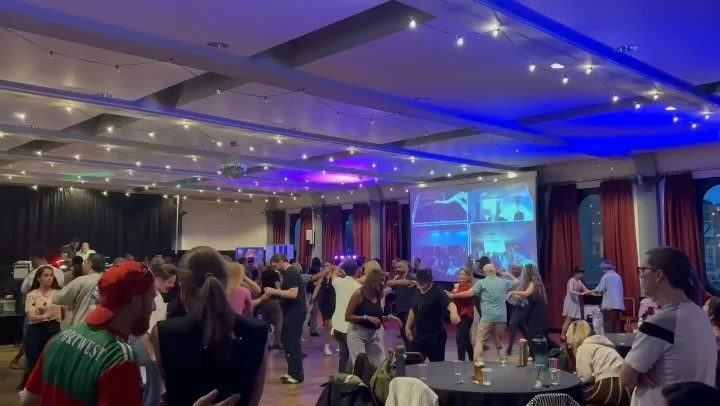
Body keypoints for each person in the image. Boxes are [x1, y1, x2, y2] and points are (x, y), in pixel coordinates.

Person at [23, 261, 156, 405]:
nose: (154, 307)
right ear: (136, 302)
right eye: (151, 298)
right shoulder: (120, 357)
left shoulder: (59, 339)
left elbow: (29, 400)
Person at [152, 246, 268, 406]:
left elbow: (173, 389)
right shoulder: (258, 331)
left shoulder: (163, 333)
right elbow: (253, 399)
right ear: (226, 284)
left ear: (183, 291)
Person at [620, 248, 717, 406]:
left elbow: (625, 378)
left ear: (658, 275)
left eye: (643, 270)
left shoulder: (661, 322)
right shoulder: (700, 315)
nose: (640, 275)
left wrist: (638, 376)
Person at [129, 263, 176, 406]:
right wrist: (153, 355)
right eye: (170, 282)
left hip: (137, 343)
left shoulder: (145, 294)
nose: (172, 286)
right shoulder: (155, 298)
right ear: (159, 279)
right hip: (146, 346)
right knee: (152, 389)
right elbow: (146, 330)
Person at [451, 263, 517, 362]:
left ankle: (478, 366)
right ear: (495, 271)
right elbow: (516, 281)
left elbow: (469, 293)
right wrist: (507, 274)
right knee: (499, 344)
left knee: (480, 342)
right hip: (501, 317)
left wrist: (453, 295)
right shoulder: (504, 282)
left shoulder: (481, 282)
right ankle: (504, 364)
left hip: (487, 317)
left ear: (485, 272)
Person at [345, 260, 397, 367]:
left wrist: (389, 318)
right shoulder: (359, 294)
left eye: (384, 281)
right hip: (357, 334)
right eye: (380, 281)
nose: (382, 284)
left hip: (372, 334)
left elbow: (376, 317)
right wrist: (366, 317)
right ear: (373, 281)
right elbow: (348, 317)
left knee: (380, 366)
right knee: (361, 366)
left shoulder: (378, 294)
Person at [567, 320, 631, 406]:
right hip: (628, 389)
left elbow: (587, 378)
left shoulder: (583, 347)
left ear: (575, 335)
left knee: (573, 395)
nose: (566, 334)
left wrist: (574, 379)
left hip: (609, 387)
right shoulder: (604, 345)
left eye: (568, 331)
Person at [265, 253, 306, 384]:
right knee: (286, 340)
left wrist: (274, 291)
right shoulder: (289, 273)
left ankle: (297, 375)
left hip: (295, 312)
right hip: (291, 312)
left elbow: (293, 294)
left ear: (281, 261)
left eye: (275, 265)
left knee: (292, 342)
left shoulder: (291, 273)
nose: (275, 269)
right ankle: (292, 371)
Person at [405, 268, 460, 362]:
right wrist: (407, 327)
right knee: (412, 363)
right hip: (419, 336)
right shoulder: (418, 290)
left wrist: (454, 314)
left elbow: (450, 304)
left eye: (425, 280)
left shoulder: (438, 292)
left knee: (436, 366)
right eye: (419, 280)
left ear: (430, 280)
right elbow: (413, 309)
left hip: (435, 337)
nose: (421, 283)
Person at [21, 266, 62, 392]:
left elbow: (60, 315)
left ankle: (49, 390)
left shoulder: (57, 294)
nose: (49, 278)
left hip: (53, 330)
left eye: (51, 275)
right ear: (39, 278)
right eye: (46, 275)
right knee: (34, 363)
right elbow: (32, 317)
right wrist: (46, 315)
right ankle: (32, 390)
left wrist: (42, 314)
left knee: (52, 362)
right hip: (35, 332)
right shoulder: (31, 295)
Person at [508, 264, 554, 356]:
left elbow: (526, 294)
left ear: (528, 273)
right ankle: (540, 353)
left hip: (538, 313)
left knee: (536, 334)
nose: (523, 273)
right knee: (537, 334)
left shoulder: (533, 283)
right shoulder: (532, 283)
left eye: (524, 271)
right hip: (535, 312)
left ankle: (537, 354)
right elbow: (525, 296)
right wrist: (514, 295)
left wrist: (513, 292)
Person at [53, 252, 106, 327]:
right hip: (102, 325)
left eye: (84, 263)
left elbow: (57, 298)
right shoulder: (108, 280)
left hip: (82, 325)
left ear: (89, 265)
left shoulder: (81, 280)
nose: (82, 266)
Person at [330, 263, 361, 373]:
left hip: (337, 323)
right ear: (357, 271)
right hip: (350, 325)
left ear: (344, 271)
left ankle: (341, 376)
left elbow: (333, 274)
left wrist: (341, 263)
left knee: (343, 354)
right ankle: (352, 376)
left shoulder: (338, 282)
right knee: (354, 354)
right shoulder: (358, 287)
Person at [387, 260, 417, 346]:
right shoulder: (396, 280)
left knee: (410, 333)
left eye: (399, 267)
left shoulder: (412, 279)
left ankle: (413, 351)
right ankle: (408, 350)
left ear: (407, 268)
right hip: (400, 311)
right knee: (403, 333)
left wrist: (416, 283)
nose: (397, 269)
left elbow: (423, 284)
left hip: (410, 311)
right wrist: (397, 280)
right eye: (396, 267)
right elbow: (387, 284)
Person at [591, 260, 625, 333]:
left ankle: (609, 340)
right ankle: (617, 340)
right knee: (616, 325)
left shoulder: (606, 276)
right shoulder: (617, 276)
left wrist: (589, 291)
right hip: (618, 306)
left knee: (608, 325)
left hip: (609, 306)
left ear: (605, 268)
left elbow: (599, 289)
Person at [312, 261, 337, 356]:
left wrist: (335, 267)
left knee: (332, 325)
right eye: (324, 266)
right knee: (329, 325)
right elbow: (315, 292)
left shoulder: (334, 277)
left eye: (328, 265)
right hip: (324, 304)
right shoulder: (321, 279)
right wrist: (311, 303)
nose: (326, 267)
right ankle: (332, 343)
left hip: (334, 303)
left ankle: (327, 346)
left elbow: (343, 273)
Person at [450, 268, 475, 361]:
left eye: (464, 274)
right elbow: (451, 296)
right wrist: (453, 292)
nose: (461, 276)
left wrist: (453, 294)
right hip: (458, 314)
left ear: (468, 276)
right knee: (465, 339)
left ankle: (461, 361)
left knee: (460, 338)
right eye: (460, 274)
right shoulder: (457, 286)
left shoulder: (470, 287)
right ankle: (472, 359)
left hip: (466, 315)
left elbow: (460, 295)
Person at [258, 263, 283, 350]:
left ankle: (267, 343)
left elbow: (260, 285)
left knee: (266, 321)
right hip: (274, 299)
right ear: (274, 267)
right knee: (279, 320)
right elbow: (278, 287)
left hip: (264, 299)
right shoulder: (275, 274)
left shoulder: (263, 274)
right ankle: (277, 342)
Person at [561, 267, 591, 342]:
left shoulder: (579, 282)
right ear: (576, 273)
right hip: (570, 301)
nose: (582, 275)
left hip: (576, 301)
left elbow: (586, 290)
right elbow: (571, 291)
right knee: (568, 319)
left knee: (578, 320)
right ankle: (562, 335)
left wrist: (593, 293)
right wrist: (580, 293)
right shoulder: (571, 281)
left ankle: (578, 336)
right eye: (581, 274)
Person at [505, 264, 528, 355]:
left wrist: (512, 294)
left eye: (517, 269)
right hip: (512, 305)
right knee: (521, 326)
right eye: (513, 269)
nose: (514, 270)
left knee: (512, 323)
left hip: (521, 306)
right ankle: (531, 342)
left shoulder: (522, 280)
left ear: (521, 270)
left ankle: (509, 348)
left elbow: (518, 294)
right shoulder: (509, 279)